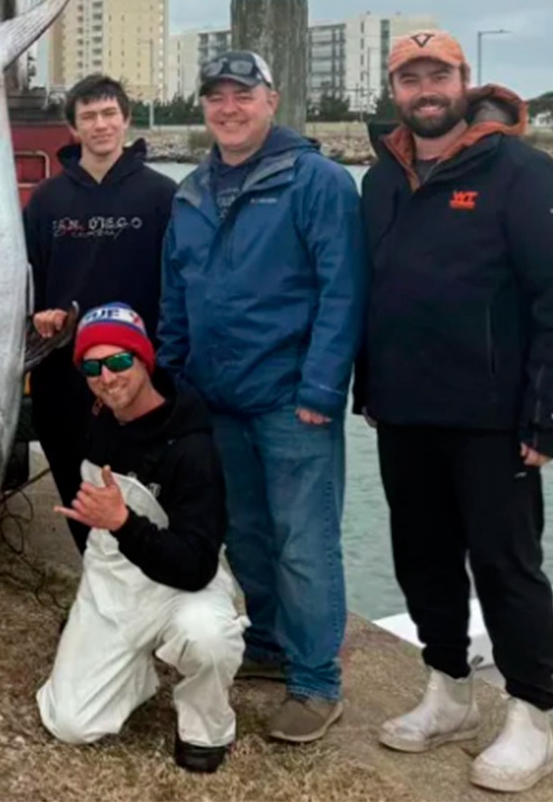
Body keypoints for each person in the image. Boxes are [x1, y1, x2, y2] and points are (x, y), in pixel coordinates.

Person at [356, 29, 553, 794]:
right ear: (395, 89)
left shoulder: (523, 171)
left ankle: (531, 713)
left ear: (464, 80)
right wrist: (368, 385)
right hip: (403, 409)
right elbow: (374, 287)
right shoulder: (380, 179)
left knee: (506, 562)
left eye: (439, 75)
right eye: (410, 77)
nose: (425, 90)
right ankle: (449, 689)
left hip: (496, 418)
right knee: (421, 556)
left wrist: (551, 418)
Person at [156, 50, 366, 745]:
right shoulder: (191, 192)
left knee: (305, 542)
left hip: (291, 400)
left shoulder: (318, 182)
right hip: (217, 399)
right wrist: (173, 379)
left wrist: (322, 387)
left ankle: (317, 681)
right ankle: (270, 643)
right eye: (216, 97)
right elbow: (176, 293)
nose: (229, 108)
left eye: (243, 95)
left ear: (272, 100)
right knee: (245, 533)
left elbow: (343, 290)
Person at [36, 304, 244, 774]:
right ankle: (132, 670)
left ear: (145, 360)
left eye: (119, 361)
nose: (107, 378)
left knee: (209, 637)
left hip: (179, 584)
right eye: (92, 368)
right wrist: (56, 323)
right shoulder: (95, 413)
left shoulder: (192, 448)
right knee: (70, 723)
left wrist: (122, 522)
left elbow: (197, 565)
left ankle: (206, 723)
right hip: (112, 585)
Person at [23, 73, 178, 553]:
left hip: (139, 375)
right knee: (78, 493)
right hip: (64, 375)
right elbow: (28, 280)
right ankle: (94, 579)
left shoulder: (162, 195)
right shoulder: (46, 200)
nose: (101, 124)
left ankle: (142, 579)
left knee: (141, 497)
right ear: (74, 128)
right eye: (88, 116)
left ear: (126, 120)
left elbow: (179, 284)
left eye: (109, 113)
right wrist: (40, 316)